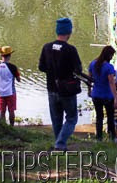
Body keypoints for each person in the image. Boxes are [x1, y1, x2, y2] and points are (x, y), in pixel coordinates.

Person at [38, 17, 83, 151]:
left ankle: (59, 144)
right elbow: (78, 69)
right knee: (72, 118)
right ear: (69, 32)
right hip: (67, 90)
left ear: (57, 31)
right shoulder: (70, 49)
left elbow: (41, 67)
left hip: (51, 88)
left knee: (56, 119)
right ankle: (60, 143)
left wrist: (52, 71)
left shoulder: (46, 47)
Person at [88, 46, 117, 141]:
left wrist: (89, 90)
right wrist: (116, 97)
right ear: (109, 55)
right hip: (107, 95)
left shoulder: (93, 64)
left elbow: (89, 79)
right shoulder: (109, 67)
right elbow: (111, 83)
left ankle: (99, 137)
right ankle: (112, 137)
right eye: (112, 55)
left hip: (96, 94)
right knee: (110, 117)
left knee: (99, 117)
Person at [0, 46, 21, 126]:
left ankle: (3, 127)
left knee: (2, 111)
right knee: (11, 110)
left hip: (0, 93)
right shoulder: (12, 67)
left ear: (1, 55)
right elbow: (19, 79)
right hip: (10, 92)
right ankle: (12, 127)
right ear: (10, 55)